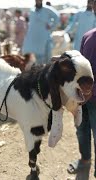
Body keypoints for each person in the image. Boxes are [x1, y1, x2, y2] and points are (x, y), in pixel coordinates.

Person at [67, 27, 96, 179]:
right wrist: (78, 91)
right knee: (81, 130)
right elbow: (80, 67)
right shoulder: (87, 36)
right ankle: (85, 160)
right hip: (82, 99)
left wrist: (92, 90)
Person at [22, 0, 60, 64]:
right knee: (37, 57)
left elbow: (57, 16)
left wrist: (51, 26)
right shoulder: (32, 10)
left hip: (44, 36)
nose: (38, 1)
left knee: (47, 56)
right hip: (35, 37)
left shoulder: (47, 9)